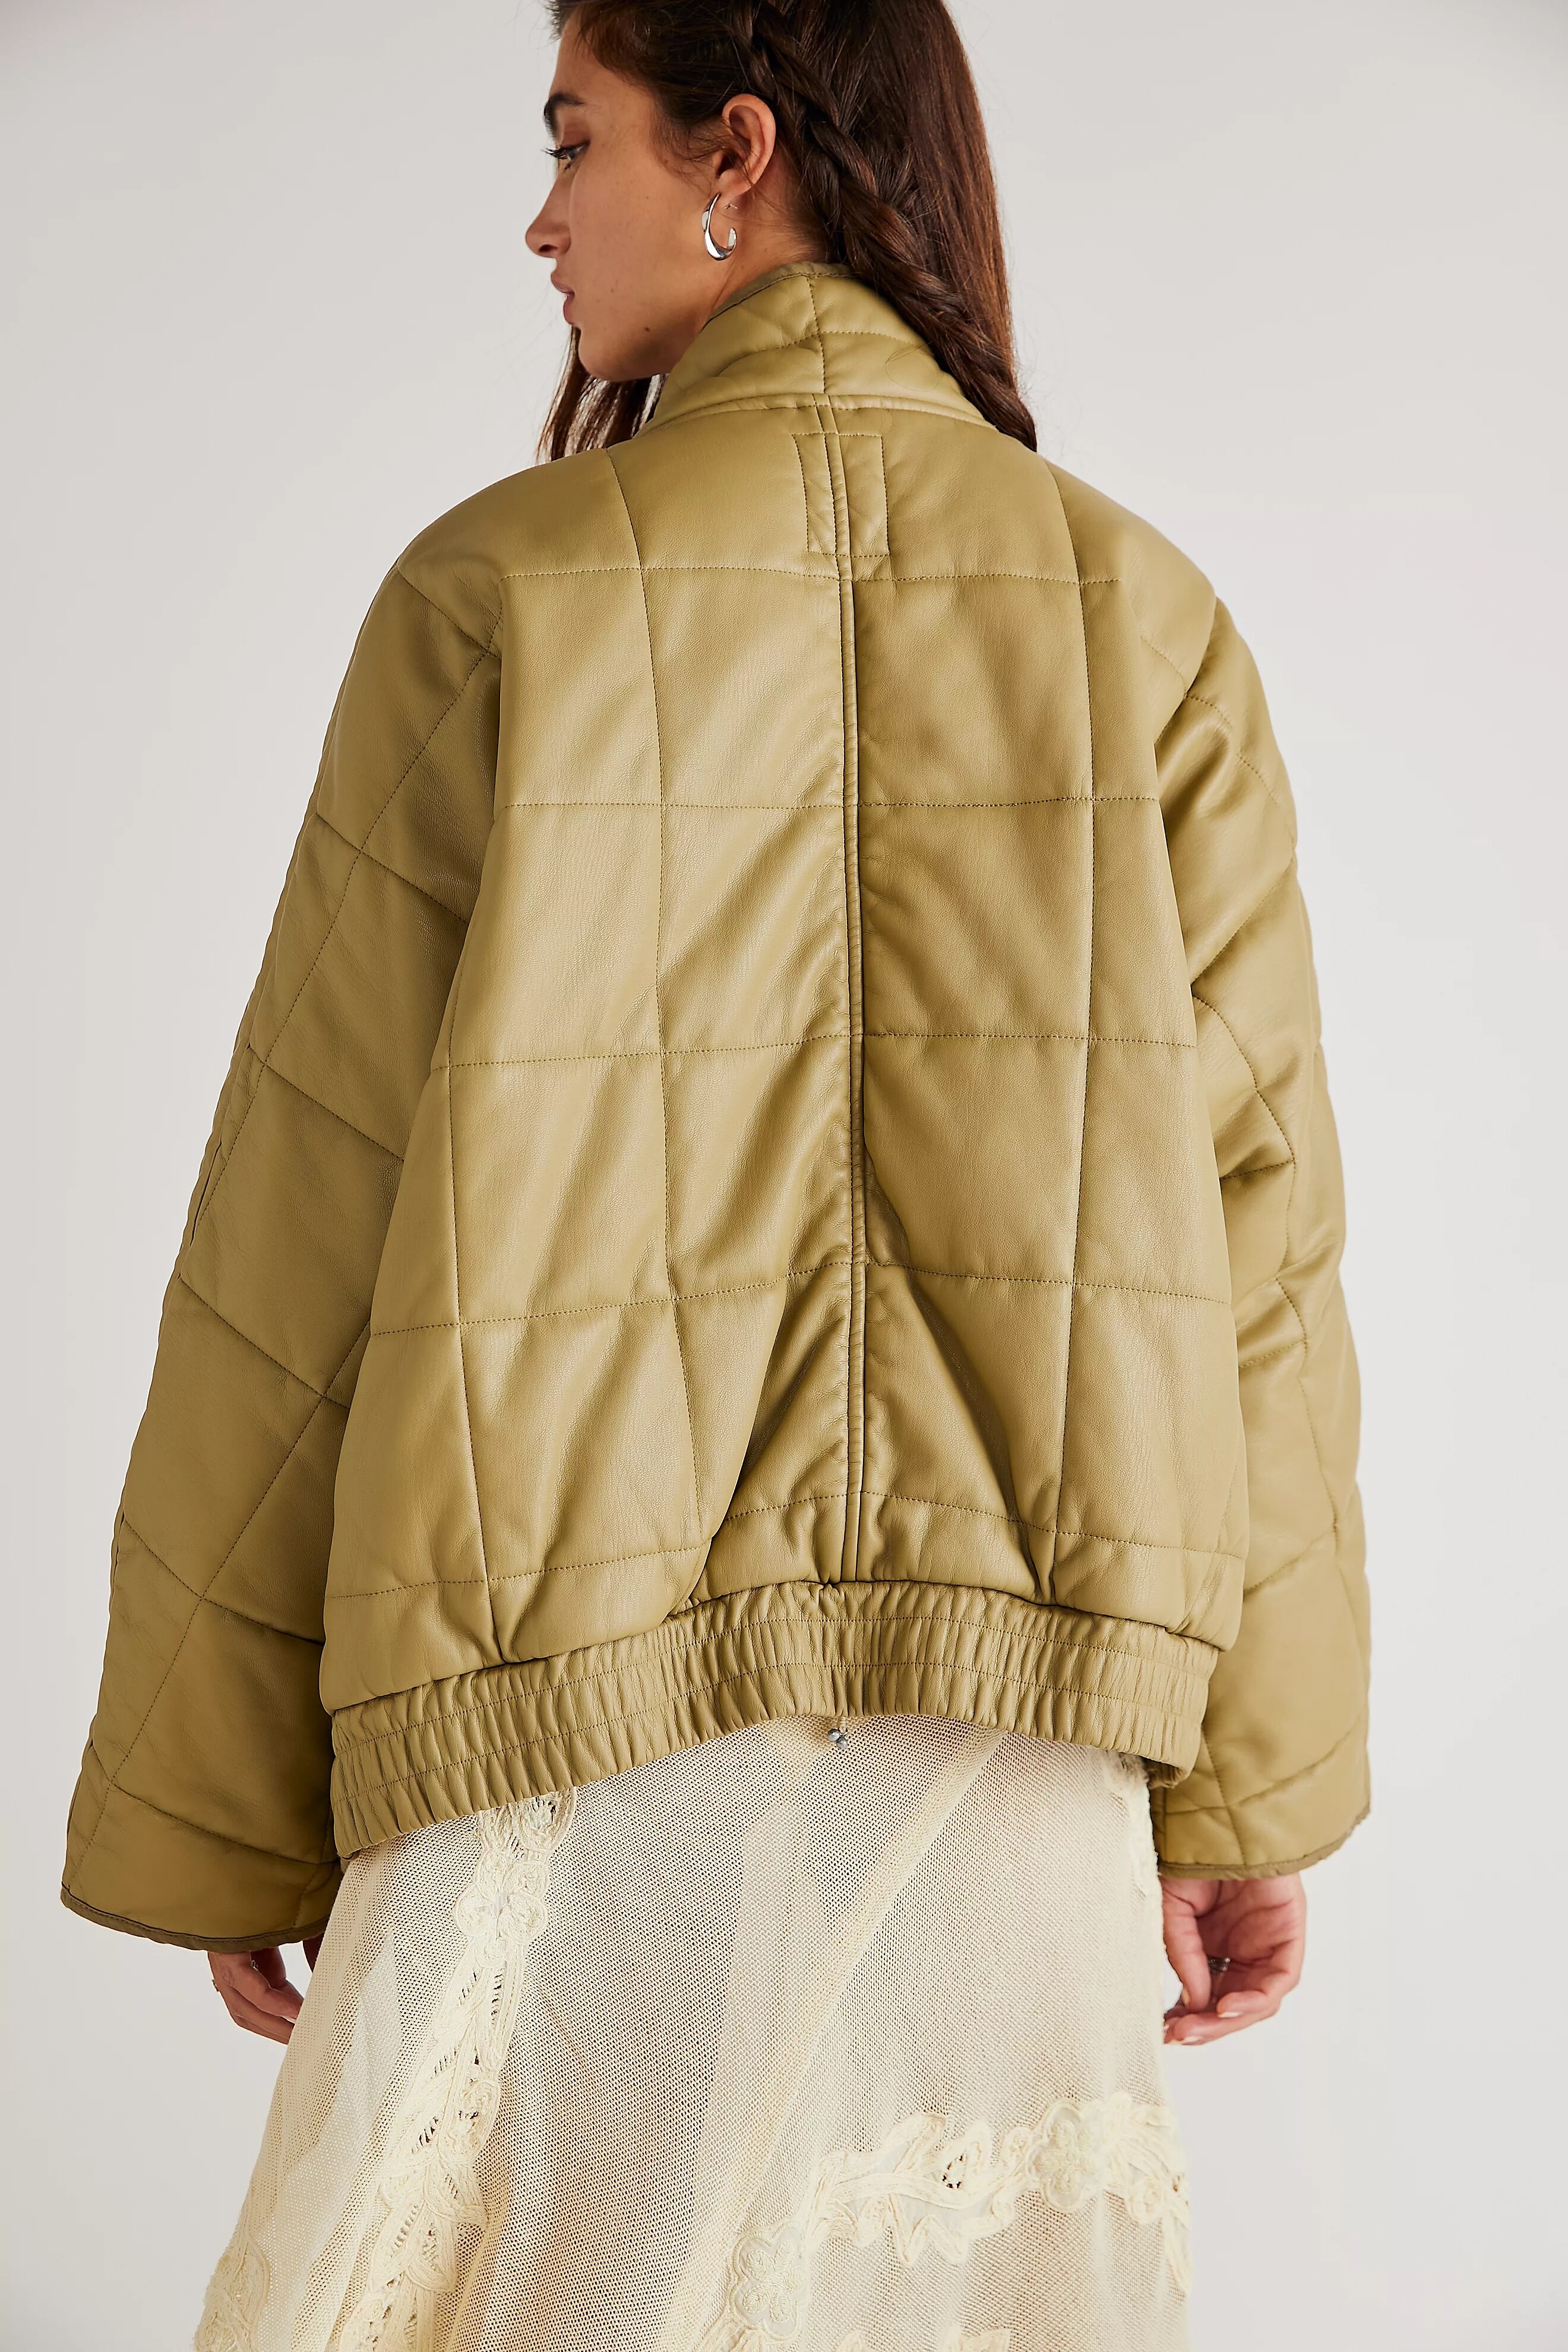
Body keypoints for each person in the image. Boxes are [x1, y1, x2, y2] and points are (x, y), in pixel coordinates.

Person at [62, 2, 1370, 2344]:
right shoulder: (1140, 611)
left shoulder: (497, 591)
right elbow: (1260, 1245)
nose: (541, 215)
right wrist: (1241, 1789)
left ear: (736, 152)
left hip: (559, 1719)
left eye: (577, 139)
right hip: (1015, 1753)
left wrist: (221, 1794)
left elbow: (305, 1221)